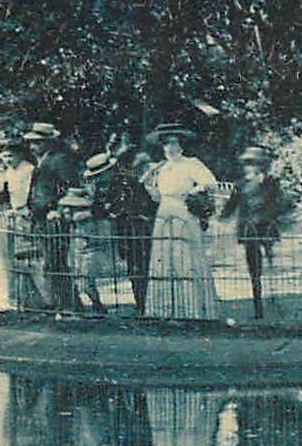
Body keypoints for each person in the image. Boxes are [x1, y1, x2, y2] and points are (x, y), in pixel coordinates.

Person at [143, 123, 221, 321]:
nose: (170, 148)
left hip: (183, 211)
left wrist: (194, 191)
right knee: (164, 258)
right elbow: (157, 198)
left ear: (181, 145)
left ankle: (191, 309)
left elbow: (210, 182)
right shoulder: (160, 168)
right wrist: (149, 186)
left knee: (184, 257)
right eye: (166, 145)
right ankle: (165, 310)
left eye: (174, 144)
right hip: (164, 212)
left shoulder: (191, 164)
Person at [86, 151, 158, 313]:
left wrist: (115, 211)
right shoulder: (102, 188)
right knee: (133, 268)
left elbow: (144, 205)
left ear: (110, 171)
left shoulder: (129, 182)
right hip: (124, 232)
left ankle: (146, 304)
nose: (99, 179)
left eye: (101, 175)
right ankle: (141, 304)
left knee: (142, 267)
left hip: (140, 229)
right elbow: (98, 210)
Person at [220, 146, 286, 319]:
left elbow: (279, 204)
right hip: (248, 231)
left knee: (271, 266)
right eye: (248, 164)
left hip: (266, 228)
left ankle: (273, 299)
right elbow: (230, 206)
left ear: (263, 165)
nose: (252, 167)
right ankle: (258, 307)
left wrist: (267, 216)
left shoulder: (271, 182)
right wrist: (221, 217)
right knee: (254, 269)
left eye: (256, 164)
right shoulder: (241, 185)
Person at [24, 122, 79, 310]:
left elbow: (70, 187)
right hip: (40, 218)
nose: (33, 147)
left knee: (56, 262)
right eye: (31, 143)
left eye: (38, 143)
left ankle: (69, 305)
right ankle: (65, 303)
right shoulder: (41, 162)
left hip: (54, 219)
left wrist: (58, 208)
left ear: (49, 143)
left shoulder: (60, 160)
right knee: (51, 262)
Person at [0, 139, 35, 306]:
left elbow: (31, 193)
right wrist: (1, 171)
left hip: (26, 213)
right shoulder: (10, 171)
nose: (7, 160)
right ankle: (16, 295)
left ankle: (30, 297)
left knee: (27, 256)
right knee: (10, 256)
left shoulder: (28, 169)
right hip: (14, 215)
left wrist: (24, 209)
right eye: (4, 156)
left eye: (11, 156)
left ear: (20, 154)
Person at [53, 187, 109, 316]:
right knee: (79, 279)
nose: (67, 209)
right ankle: (92, 306)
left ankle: (97, 305)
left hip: (89, 250)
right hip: (76, 250)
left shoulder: (90, 218)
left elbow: (96, 236)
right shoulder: (72, 218)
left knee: (85, 280)